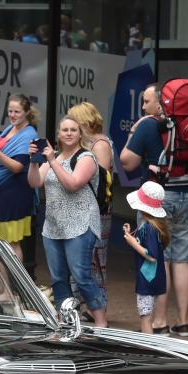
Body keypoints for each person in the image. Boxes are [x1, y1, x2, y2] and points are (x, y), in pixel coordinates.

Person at [120, 83, 188, 338]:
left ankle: (160, 320)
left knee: (159, 254)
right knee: (182, 259)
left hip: (157, 197)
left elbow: (126, 161)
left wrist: (134, 132)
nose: (143, 107)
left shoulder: (148, 124)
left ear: (160, 103)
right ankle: (183, 322)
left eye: (146, 101)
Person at [28, 116, 107, 327]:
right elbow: (35, 182)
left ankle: (101, 320)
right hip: (54, 226)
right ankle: (66, 319)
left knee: (81, 276)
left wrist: (53, 161)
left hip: (80, 224)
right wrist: (34, 163)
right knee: (58, 278)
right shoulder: (54, 156)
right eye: (65, 130)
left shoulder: (86, 157)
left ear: (80, 134)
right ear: (59, 133)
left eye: (73, 129)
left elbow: (72, 184)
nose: (69, 133)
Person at [68, 101, 114, 307]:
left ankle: (97, 302)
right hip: (82, 207)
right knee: (81, 256)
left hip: (97, 210)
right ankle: (81, 301)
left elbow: (101, 181)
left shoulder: (100, 145)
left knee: (95, 256)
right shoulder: (87, 144)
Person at [0, 94, 38, 265]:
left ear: (27, 112)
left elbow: (17, 167)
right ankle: (5, 285)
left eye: (17, 112)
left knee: (12, 243)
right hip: (3, 192)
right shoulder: (10, 128)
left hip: (14, 193)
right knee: (2, 241)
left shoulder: (29, 134)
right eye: (10, 111)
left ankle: (14, 286)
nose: (13, 115)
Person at [122, 181, 169, 333]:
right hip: (152, 277)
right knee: (146, 314)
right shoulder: (152, 226)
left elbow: (151, 255)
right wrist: (131, 235)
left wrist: (131, 243)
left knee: (145, 317)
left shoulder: (149, 228)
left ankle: (147, 347)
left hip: (147, 278)